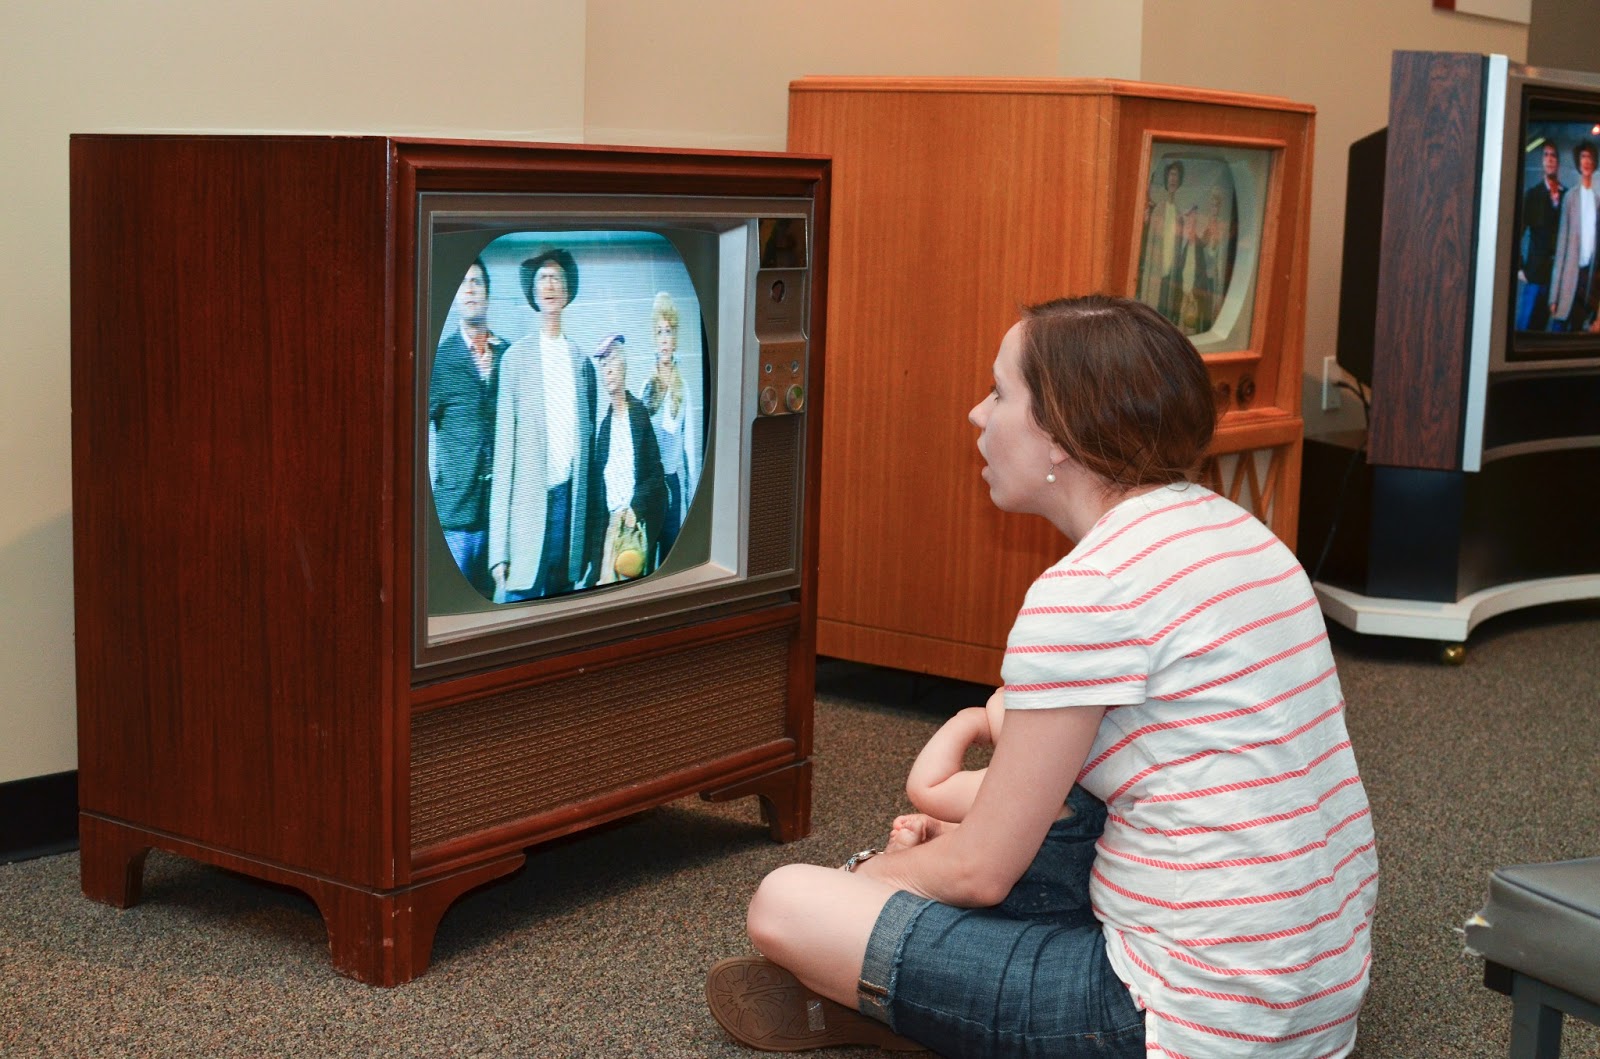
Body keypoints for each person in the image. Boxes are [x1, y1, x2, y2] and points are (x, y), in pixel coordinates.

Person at [706, 295, 1379, 1058]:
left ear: (1059, 432)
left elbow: (980, 871)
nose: (977, 413)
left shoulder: (1090, 588)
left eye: (999, 392)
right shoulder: (1244, 536)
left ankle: (902, 1004)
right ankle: (901, 984)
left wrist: (878, 875)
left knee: (786, 902)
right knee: (1047, 820)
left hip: (1173, 1020)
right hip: (1314, 993)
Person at [488, 247, 597, 601]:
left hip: (569, 512)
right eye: (542, 279)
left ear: (567, 292)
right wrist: (498, 551)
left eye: (557, 278)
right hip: (526, 518)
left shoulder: (582, 363)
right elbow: (504, 458)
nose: (549, 285)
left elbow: (589, 462)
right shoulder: (514, 361)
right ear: (533, 293)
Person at [428, 258, 507, 597]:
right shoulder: (440, 360)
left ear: (487, 293)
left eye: (477, 282)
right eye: (463, 283)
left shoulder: (507, 354)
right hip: (455, 517)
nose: (470, 289)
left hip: (498, 517)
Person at [589, 333, 667, 584]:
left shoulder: (639, 416)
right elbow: (599, 495)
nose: (608, 370)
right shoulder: (604, 428)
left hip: (634, 525)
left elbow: (656, 475)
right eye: (603, 365)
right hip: (612, 527)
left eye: (612, 361)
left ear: (623, 366)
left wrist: (636, 507)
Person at [641, 292, 700, 564]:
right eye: (659, 332)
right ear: (654, 338)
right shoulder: (646, 387)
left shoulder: (684, 389)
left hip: (673, 485)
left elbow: (690, 454)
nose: (664, 339)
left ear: (675, 338)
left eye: (669, 332)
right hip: (650, 485)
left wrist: (690, 500)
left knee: (668, 558)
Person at [1549, 140, 1600, 332]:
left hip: (1589, 278)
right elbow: (1562, 247)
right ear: (1578, 162)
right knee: (1559, 328)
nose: (1587, 161)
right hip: (1570, 275)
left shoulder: (1597, 200)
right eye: (1583, 157)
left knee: (1579, 331)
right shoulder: (1570, 197)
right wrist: (1554, 296)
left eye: (1590, 158)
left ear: (1594, 163)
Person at [1516, 141, 1565, 332]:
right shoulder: (1533, 194)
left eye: (1553, 155)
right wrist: (1519, 268)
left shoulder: (1567, 196)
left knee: (1549, 332)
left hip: (1556, 278)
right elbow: (1516, 233)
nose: (1550, 159)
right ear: (1543, 162)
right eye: (1546, 155)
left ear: (1558, 162)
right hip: (1535, 276)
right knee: (1526, 328)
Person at [1138, 161, 1185, 321]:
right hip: (1155, 273)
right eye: (1171, 174)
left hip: (1170, 277)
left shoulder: (1179, 215)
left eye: (1176, 175)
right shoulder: (1157, 210)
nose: (1173, 179)